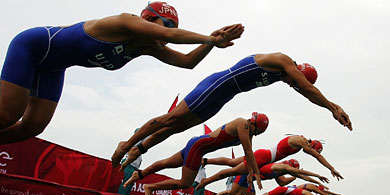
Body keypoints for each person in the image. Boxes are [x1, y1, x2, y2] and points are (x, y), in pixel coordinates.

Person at [0, 1, 244, 144]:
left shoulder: (145, 46)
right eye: (167, 24)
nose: (170, 32)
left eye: (175, 27)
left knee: (33, 126)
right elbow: (167, 36)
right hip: (33, 46)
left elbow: (188, 62)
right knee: (8, 115)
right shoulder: (125, 22)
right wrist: (210, 38)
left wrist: (211, 43)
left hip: (53, 67)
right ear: (148, 19)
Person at [111, 52, 353, 168]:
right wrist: (333, 107)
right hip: (216, 85)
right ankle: (128, 143)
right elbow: (308, 90)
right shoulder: (282, 61)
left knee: (176, 128)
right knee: (171, 118)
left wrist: (332, 107)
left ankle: (140, 148)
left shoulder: (283, 76)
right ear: (297, 71)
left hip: (223, 97)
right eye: (295, 81)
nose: (293, 85)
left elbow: (307, 94)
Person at [122, 113, 268, 195]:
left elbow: (249, 154)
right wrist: (255, 174)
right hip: (198, 147)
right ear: (253, 123)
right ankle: (150, 187)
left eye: (259, 134)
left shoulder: (249, 133)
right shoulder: (243, 124)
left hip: (197, 145)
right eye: (257, 131)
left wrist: (250, 172)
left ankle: (138, 174)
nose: (256, 134)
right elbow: (248, 152)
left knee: (166, 163)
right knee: (185, 183)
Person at [197, 135, 344, 191]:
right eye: (316, 151)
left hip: (263, 156)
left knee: (231, 162)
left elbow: (299, 175)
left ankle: (206, 160)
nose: (313, 153)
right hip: (263, 158)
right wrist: (331, 168)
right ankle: (206, 181)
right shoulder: (300, 141)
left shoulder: (299, 142)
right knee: (232, 171)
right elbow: (315, 158)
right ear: (313, 146)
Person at [206, 159, 330, 195]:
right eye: (293, 170)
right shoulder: (278, 167)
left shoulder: (280, 173)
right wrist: (317, 176)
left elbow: (282, 183)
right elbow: (302, 175)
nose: (293, 172)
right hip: (247, 175)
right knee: (234, 194)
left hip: (251, 179)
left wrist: (298, 177)